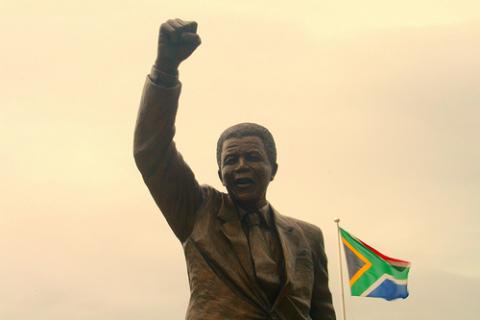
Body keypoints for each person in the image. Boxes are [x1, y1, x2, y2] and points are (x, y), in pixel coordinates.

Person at [134, 18, 336, 320]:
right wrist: (165, 70)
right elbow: (152, 152)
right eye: (230, 160)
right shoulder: (197, 212)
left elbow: (321, 313)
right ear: (220, 175)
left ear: (273, 168)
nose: (241, 166)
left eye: (253, 157)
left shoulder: (308, 237)